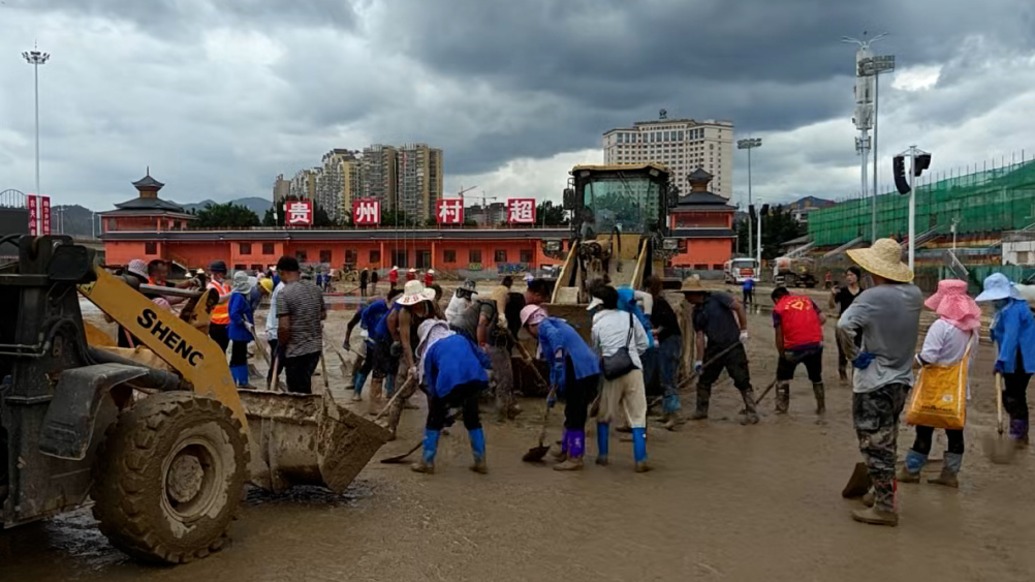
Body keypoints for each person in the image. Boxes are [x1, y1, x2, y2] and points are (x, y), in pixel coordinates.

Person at [836, 238, 922, 527]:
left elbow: (843, 326)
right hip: (902, 379)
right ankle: (879, 491)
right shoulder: (914, 294)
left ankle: (885, 507)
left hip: (875, 380)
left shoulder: (872, 297)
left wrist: (854, 356)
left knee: (874, 444)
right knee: (889, 436)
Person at [897, 279, 979, 488]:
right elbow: (970, 360)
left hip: (934, 388)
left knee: (924, 430)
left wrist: (906, 366)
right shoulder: (972, 330)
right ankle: (950, 474)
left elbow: (928, 357)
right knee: (954, 430)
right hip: (957, 388)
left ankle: (912, 470)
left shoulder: (941, 326)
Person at [521, 305, 601, 471]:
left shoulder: (544, 327)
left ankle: (575, 457)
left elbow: (557, 341)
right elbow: (554, 367)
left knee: (575, 415)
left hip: (579, 370)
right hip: (586, 370)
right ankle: (567, 449)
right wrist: (553, 390)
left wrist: (558, 360)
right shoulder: (555, 322)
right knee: (572, 412)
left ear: (530, 325)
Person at [411, 319, 490, 475]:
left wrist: (440, 410)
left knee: (433, 421)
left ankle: (427, 462)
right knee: (472, 419)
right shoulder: (461, 338)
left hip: (449, 382)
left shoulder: (431, 350)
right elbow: (484, 359)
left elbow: (430, 383)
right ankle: (480, 462)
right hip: (475, 379)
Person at [681, 276, 758, 425]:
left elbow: (739, 307)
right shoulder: (696, 312)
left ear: (694, 293)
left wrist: (743, 330)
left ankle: (751, 412)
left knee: (741, 379)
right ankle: (701, 411)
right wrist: (699, 360)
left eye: (687, 294)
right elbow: (699, 337)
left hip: (733, 345)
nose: (686, 297)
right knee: (704, 380)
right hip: (714, 348)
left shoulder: (718, 297)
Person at [590, 286, 651, 472]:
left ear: (599, 305)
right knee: (638, 415)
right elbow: (644, 344)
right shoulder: (630, 317)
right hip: (634, 369)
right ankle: (641, 460)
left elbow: (596, 349)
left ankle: (603, 457)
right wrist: (631, 356)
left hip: (611, 372)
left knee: (604, 415)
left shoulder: (597, 322)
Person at [976, 272, 1035, 446]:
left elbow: (1011, 337)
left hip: (1019, 356)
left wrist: (1001, 361)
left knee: (1014, 395)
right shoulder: (1007, 307)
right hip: (1016, 355)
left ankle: (1018, 434)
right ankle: (1019, 432)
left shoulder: (1013, 310)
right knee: (1016, 394)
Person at [384, 281, 444, 437]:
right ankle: (391, 428)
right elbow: (405, 341)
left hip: (430, 350)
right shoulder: (405, 312)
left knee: (434, 391)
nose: (416, 304)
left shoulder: (431, 305)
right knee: (401, 391)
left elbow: (444, 323)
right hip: (411, 350)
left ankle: (436, 425)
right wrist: (411, 366)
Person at [275, 256, 327, 394]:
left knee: (297, 393)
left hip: (296, 351)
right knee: (305, 384)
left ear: (282, 272)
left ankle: (304, 414)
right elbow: (323, 315)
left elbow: (284, 327)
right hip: (314, 349)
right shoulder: (315, 289)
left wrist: (280, 346)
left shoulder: (284, 294)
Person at [771, 286, 827, 415]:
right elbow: (823, 318)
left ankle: (781, 409)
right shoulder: (807, 300)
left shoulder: (778, 308)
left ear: (776, 299)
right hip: (815, 345)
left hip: (793, 348)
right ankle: (821, 407)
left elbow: (779, 335)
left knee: (782, 379)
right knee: (816, 378)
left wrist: (781, 354)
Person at [647, 276, 683, 428]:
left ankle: (674, 416)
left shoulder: (658, 303)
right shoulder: (659, 302)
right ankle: (666, 412)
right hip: (668, 340)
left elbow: (665, 323)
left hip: (670, 341)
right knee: (663, 377)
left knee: (668, 377)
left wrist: (655, 331)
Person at [829, 266, 864, 383]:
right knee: (842, 352)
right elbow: (831, 306)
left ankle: (856, 375)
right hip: (843, 325)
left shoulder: (863, 293)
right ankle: (842, 373)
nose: (849, 277)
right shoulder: (843, 291)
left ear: (857, 277)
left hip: (858, 326)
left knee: (858, 349)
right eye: (847, 275)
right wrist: (832, 295)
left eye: (851, 275)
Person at [227, 271, 255, 388]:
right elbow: (234, 313)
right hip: (239, 332)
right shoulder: (238, 296)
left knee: (240, 355)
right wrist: (244, 323)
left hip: (240, 332)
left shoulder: (239, 295)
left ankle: (241, 380)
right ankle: (237, 381)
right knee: (238, 356)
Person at [207, 260, 233, 354]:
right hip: (216, 324)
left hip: (226, 324)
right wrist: (232, 294)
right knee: (218, 350)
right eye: (221, 274)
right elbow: (219, 299)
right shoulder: (210, 287)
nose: (223, 276)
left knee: (224, 349)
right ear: (216, 274)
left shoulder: (226, 286)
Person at [264, 276, 286, 389]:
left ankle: (273, 382)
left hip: (278, 330)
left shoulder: (283, 287)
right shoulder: (282, 289)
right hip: (276, 331)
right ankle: (271, 383)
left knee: (279, 360)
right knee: (278, 360)